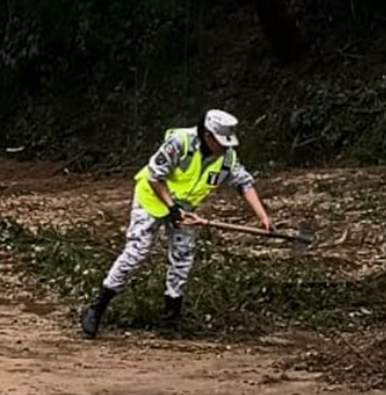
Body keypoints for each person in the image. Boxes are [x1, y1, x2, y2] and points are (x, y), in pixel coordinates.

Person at [79, 110, 273, 337]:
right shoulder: (179, 143)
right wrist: (171, 209)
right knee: (136, 253)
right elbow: (154, 176)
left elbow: (244, 183)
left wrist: (262, 217)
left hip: (185, 210)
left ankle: (171, 319)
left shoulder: (227, 159)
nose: (224, 148)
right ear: (207, 136)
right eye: (220, 142)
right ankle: (96, 309)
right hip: (152, 199)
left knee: (182, 258)